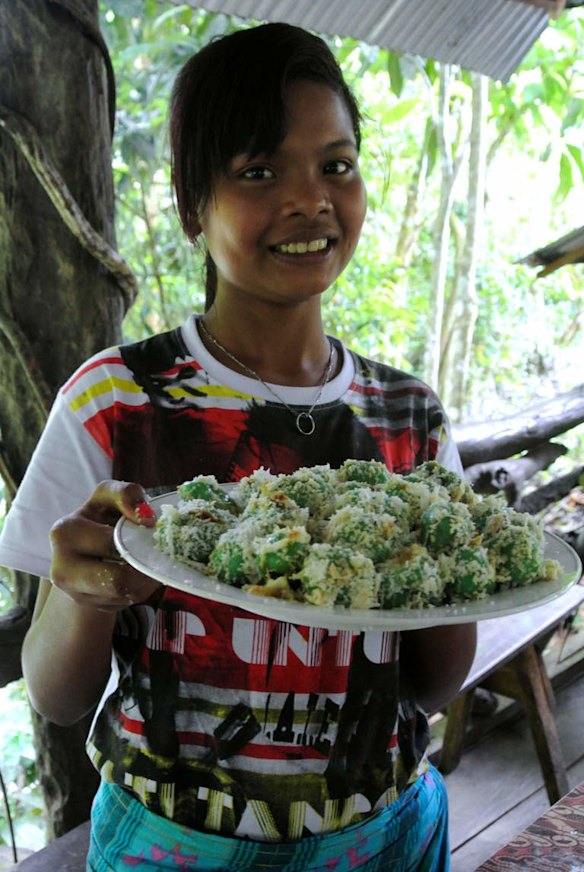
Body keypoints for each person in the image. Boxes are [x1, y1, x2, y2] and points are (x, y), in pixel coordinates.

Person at [0, 22, 476, 871]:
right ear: (191, 205)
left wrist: (463, 558)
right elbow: (55, 694)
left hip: (386, 835)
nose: (310, 199)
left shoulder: (409, 416)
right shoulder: (116, 402)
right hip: (175, 845)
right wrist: (87, 591)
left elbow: (433, 684)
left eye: (336, 165)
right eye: (260, 170)